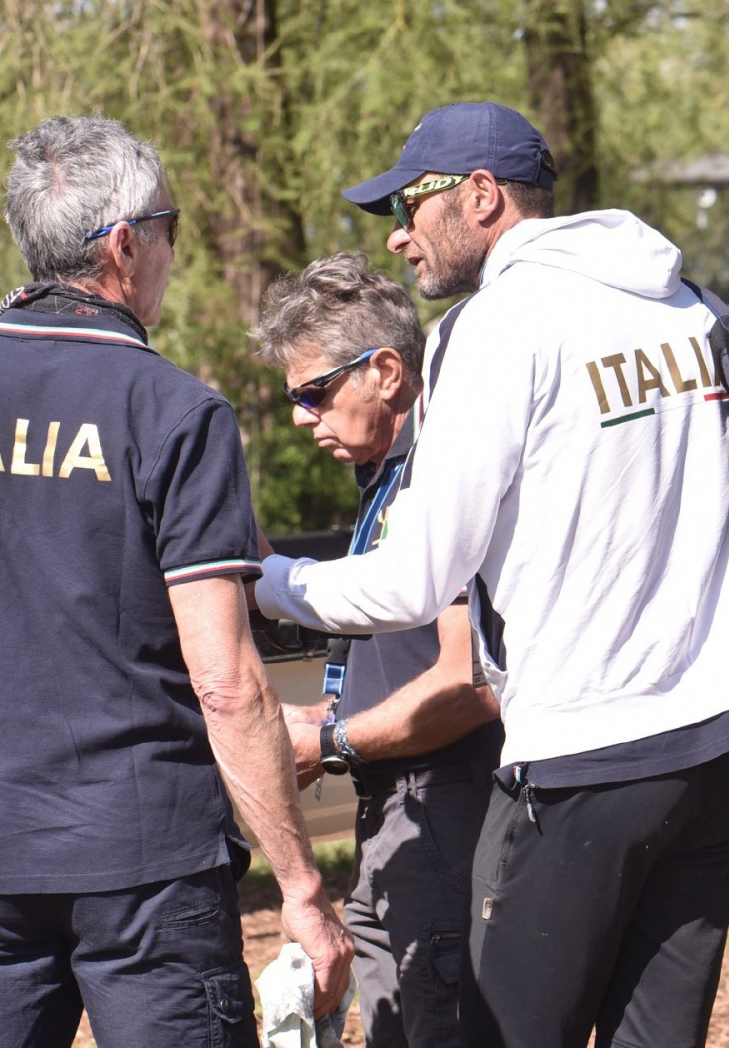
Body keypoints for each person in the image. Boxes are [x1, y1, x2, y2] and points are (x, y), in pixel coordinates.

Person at [254, 101, 729, 1048]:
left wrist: (266, 579)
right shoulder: (686, 304)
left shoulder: (492, 329)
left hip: (582, 761)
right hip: (719, 747)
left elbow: (412, 583)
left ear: (480, 196)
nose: (401, 234)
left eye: (410, 204)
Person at [0, 115, 351, 1047]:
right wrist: (300, 886)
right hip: (148, 864)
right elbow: (225, 680)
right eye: (171, 228)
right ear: (124, 246)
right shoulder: (178, 414)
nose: (176, 251)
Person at [252, 251, 504, 1048]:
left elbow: (471, 680)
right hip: (392, 813)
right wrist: (325, 714)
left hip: (449, 810)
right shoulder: (384, 475)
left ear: (387, 371)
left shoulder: (441, 473)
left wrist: (328, 740)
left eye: (314, 392)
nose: (301, 415)